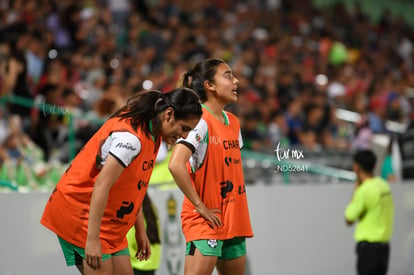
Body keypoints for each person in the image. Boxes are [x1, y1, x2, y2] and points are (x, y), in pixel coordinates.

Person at [40, 87, 202, 275]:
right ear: (168, 114)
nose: (184, 136)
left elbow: (134, 187)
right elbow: (102, 184)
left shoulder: (154, 132)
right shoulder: (131, 140)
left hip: (110, 225)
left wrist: (141, 231)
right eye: (184, 128)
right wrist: (91, 240)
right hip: (80, 215)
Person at [168, 58, 253, 275]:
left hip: (234, 217)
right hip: (206, 220)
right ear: (210, 85)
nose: (236, 81)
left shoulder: (233, 121)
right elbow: (176, 165)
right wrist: (199, 205)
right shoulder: (199, 120)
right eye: (228, 76)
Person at [344, 149, 394, 275]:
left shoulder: (364, 190)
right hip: (384, 248)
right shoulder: (384, 186)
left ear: (356, 167)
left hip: (369, 250)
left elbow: (349, 218)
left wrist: (356, 190)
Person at [127, 193, 161, 275]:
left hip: (137, 265)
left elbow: (129, 241)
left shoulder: (134, 217)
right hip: (151, 266)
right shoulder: (153, 214)